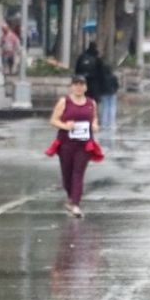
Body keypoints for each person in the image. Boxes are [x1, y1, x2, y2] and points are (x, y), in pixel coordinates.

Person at [48, 75, 99, 217]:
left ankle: (75, 203)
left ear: (86, 87)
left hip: (84, 144)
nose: (79, 87)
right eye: (76, 84)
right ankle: (71, 199)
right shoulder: (64, 102)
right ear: (71, 86)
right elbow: (53, 120)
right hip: (66, 143)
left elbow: (94, 118)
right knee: (67, 174)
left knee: (78, 172)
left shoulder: (91, 103)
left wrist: (94, 125)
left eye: (81, 84)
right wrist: (65, 125)